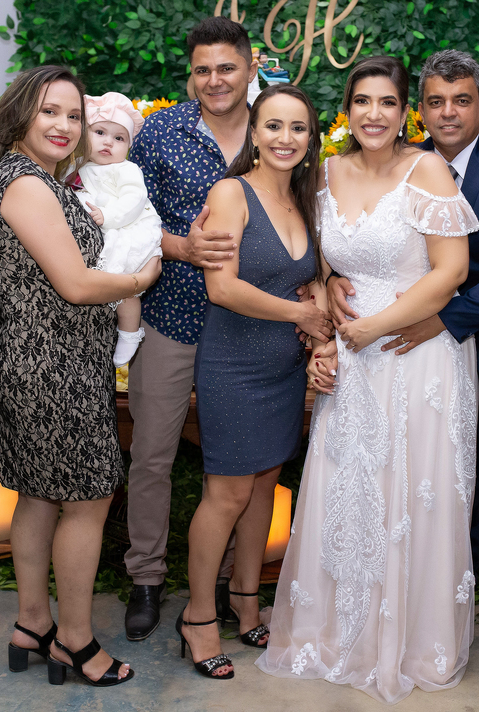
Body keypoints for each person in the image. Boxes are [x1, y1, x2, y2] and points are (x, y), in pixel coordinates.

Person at [327, 49, 479, 662]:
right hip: (421, 359)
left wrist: (442, 319)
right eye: (436, 102)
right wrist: (330, 277)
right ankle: (445, 601)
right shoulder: (402, 164)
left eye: (461, 101)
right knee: (445, 485)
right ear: (421, 111)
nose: (448, 112)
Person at [257, 56, 479, 704]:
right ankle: (338, 633)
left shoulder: (427, 170)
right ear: (346, 111)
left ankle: (409, 640)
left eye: (387, 102)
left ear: (405, 111)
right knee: (348, 486)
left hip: (416, 350)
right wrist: (328, 287)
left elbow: (452, 271)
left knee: (413, 490)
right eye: (362, 101)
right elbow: (317, 257)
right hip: (352, 358)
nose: (374, 114)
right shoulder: (325, 172)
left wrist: (372, 328)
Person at [0, 65, 160, 688]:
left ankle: (32, 624)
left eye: (74, 115)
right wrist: (139, 279)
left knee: (39, 493)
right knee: (88, 500)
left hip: (38, 357)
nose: (65, 125)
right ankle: (74, 641)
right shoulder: (26, 184)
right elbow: (74, 284)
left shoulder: (31, 177)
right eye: (50, 111)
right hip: (52, 364)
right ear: (20, 113)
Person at [178, 84, 331, 679]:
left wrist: (321, 301)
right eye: (273, 126)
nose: (285, 138)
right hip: (234, 366)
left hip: (283, 368)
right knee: (227, 494)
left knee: (265, 485)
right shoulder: (231, 193)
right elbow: (222, 288)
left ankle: (246, 602)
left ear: (311, 138)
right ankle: (198, 617)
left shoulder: (306, 199)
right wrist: (302, 315)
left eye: (298, 127)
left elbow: (312, 276)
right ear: (255, 133)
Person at [122, 16, 253, 640]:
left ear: (250, 68)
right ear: (190, 75)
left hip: (250, 325)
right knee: (151, 454)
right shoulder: (160, 133)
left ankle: (225, 582)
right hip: (170, 315)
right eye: (203, 69)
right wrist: (181, 247)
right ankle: (145, 577)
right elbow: (129, 221)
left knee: (234, 460)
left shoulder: (276, 129)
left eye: (226, 67)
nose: (214, 80)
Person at [74, 91, 163, 367]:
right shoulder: (79, 166)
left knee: (126, 287)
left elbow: (134, 200)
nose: (108, 142)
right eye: (99, 132)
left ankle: (129, 333)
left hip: (130, 229)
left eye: (119, 138)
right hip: (108, 229)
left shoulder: (126, 169)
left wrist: (108, 216)